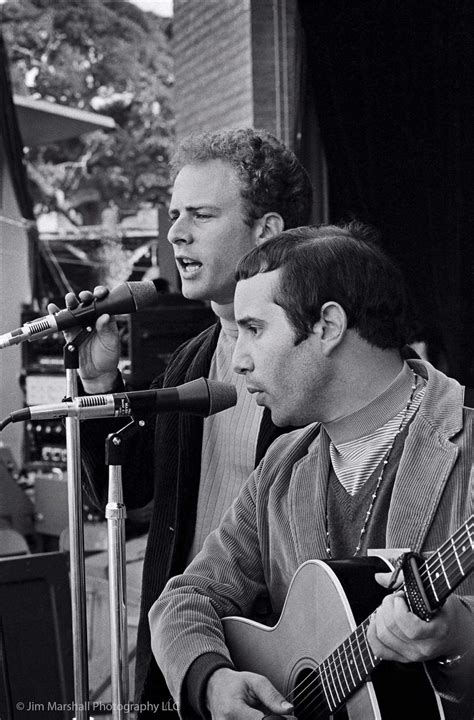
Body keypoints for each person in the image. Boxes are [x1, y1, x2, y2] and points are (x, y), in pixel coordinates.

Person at [150, 222, 473, 720]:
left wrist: (459, 635)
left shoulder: (466, 446)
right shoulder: (282, 466)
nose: (236, 360)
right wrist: (211, 679)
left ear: (328, 326)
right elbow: (184, 598)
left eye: (254, 329)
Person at [49, 129, 313, 715]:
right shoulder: (192, 359)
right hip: (186, 658)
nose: (175, 233)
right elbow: (134, 490)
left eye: (200, 214)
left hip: (280, 662)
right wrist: (100, 383)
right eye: (174, 214)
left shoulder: (312, 364)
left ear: (266, 231)